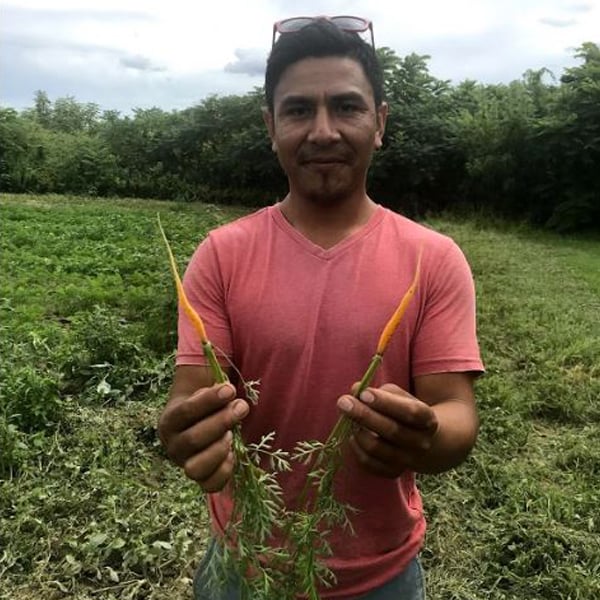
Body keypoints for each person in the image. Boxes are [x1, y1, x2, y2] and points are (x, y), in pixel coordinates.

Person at [158, 15, 484, 600]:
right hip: (242, 562)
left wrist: (427, 435)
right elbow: (189, 395)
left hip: (381, 572)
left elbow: (457, 413)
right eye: (299, 110)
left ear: (380, 123)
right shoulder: (220, 254)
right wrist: (186, 432)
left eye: (348, 107)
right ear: (270, 126)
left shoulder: (433, 259)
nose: (324, 131)